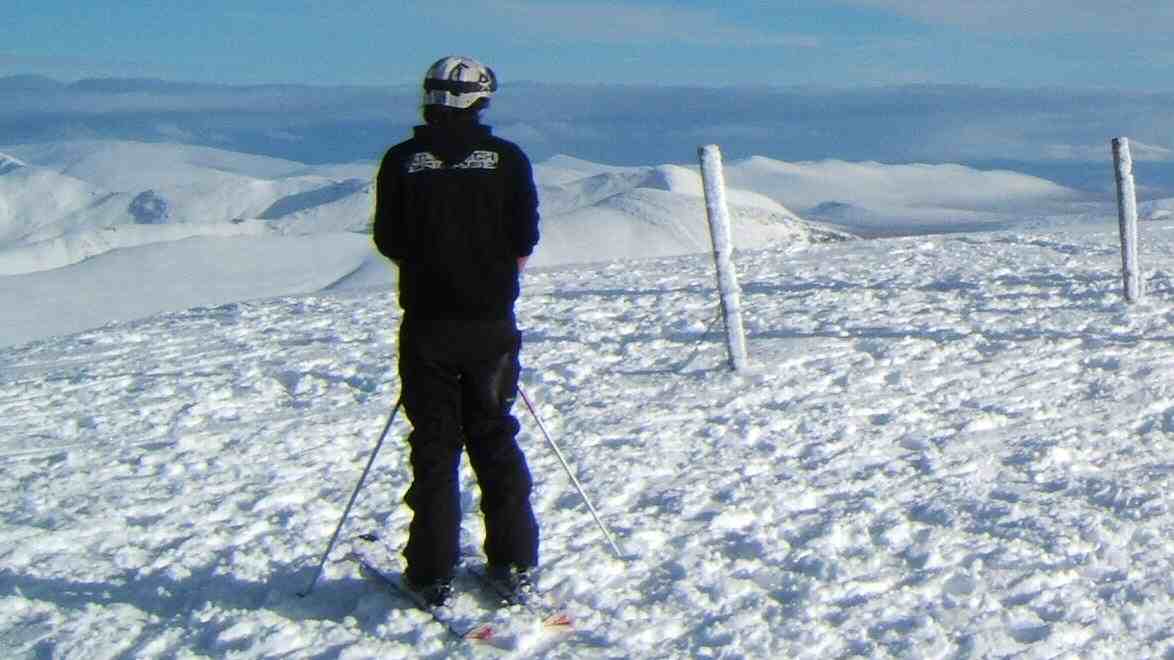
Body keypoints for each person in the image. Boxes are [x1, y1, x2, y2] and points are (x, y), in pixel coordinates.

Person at [371, 56, 541, 606]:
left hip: (427, 324)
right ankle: (513, 560)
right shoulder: (507, 160)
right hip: (491, 325)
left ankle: (430, 570)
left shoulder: (402, 161)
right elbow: (525, 235)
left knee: (434, 446)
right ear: (481, 99)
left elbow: (389, 238)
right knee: (494, 436)